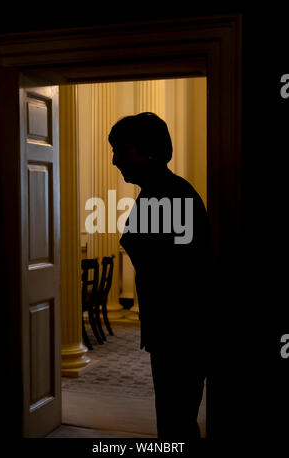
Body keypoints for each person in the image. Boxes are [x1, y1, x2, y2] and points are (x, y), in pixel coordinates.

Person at [108, 112, 212, 440]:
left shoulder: (169, 195)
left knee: (175, 425)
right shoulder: (158, 191)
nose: (115, 160)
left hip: (180, 331)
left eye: (122, 151)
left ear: (149, 151)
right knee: (174, 420)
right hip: (173, 329)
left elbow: (179, 274)